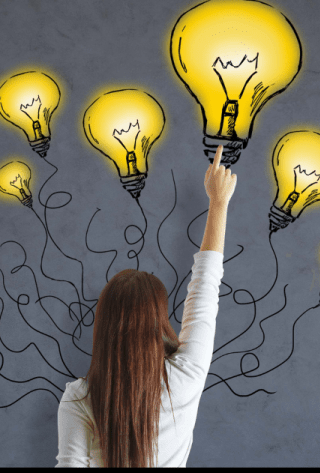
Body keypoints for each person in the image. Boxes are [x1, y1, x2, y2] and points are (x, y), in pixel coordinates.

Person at [56, 145, 237, 467]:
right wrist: (219, 202)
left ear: (104, 324)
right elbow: (205, 286)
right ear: (158, 319)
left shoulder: (80, 398)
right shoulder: (187, 373)